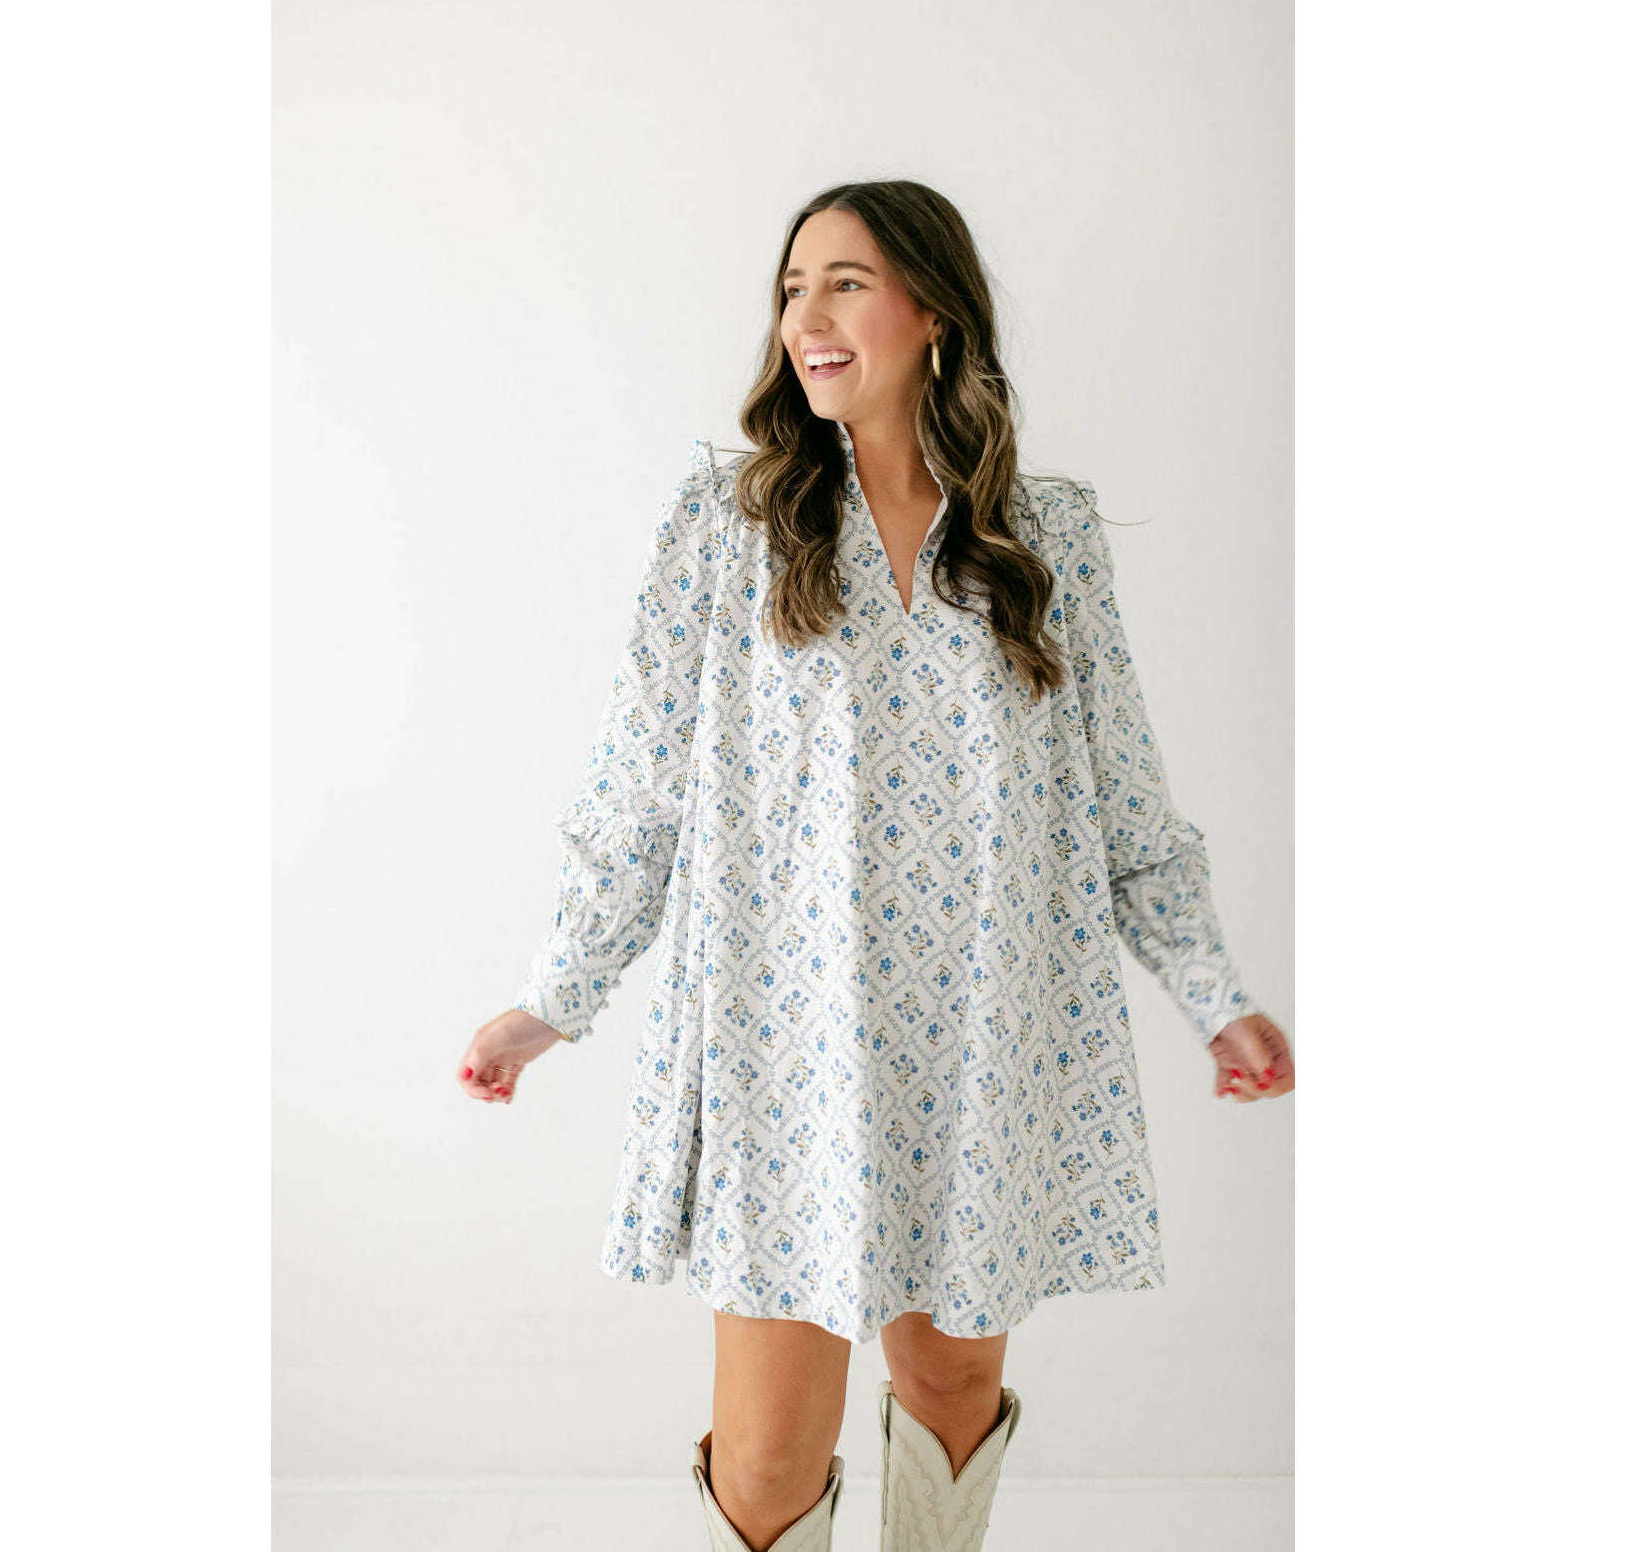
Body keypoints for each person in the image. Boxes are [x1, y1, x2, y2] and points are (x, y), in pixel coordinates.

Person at [457, 180, 1294, 1552]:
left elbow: (1125, 799)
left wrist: (1216, 996)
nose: (807, 315)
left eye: (843, 282)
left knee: (953, 1387)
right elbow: (637, 789)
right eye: (793, 289)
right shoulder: (729, 525)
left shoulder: (1044, 539)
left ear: (932, 313)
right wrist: (551, 999)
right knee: (770, 1452)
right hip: (785, 1048)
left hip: (981, 1043)